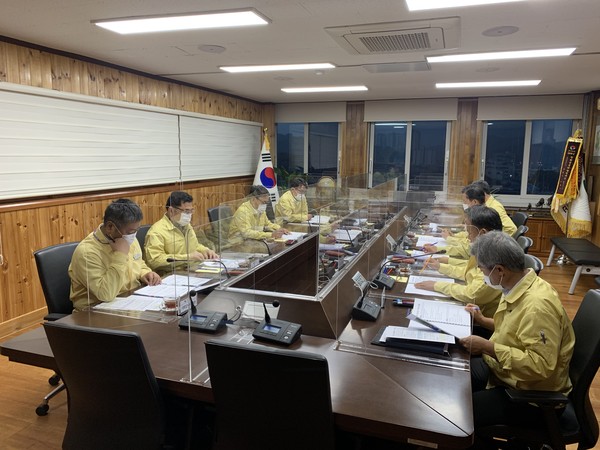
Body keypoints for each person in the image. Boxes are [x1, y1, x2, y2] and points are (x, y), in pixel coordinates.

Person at [460, 231, 574, 432]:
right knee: (455, 376)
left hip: (531, 397)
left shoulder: (537, 306)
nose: (481, 274)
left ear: (500, 270)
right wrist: (482, 320)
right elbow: (516, 330)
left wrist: (487, 346)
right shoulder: (518, 284)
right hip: (504, 373)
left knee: (456, 416)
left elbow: (540, 366)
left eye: (482, 269)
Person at [68, 198, 161, 311]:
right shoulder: (87, 252)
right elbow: (105, 294)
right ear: (110, 227)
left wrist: (145, 273)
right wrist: (120, 255)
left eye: (136, 230)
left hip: (129, 301)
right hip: (94, 312)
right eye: (131, 232)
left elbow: (138, 263)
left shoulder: (127, 238)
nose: (133, 235)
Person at [415, 206, 503, 318]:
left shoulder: (493, 257)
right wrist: (441, 266)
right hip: (475, 309)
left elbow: (472, 294)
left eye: (469, 230)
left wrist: (437, 285)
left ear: (482, 232)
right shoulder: (486, 248)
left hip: (481, 319)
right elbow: (469, 271)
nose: (467, 235)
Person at [145, 191, 219, 275]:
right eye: (186, 211)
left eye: (191, 210)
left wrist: (205, 250)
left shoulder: (186, 225)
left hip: (192, 270)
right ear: (171, 211)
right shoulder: (156, 232)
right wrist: (186, 258)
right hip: (172, 275)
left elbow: (194, 246)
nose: (190, 215)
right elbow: (155, 261)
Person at [228, 186, 289, 251]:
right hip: (238, 243)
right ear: (254, 199)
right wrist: (271, 235)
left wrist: (279, 229)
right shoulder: (243, 211)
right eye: (263, 202)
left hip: (254, 239)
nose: (265, 205)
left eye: (266, 203)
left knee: (280, 246)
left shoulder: (260, 209)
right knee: (272, 249)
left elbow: (267, 224)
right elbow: (247, 233)